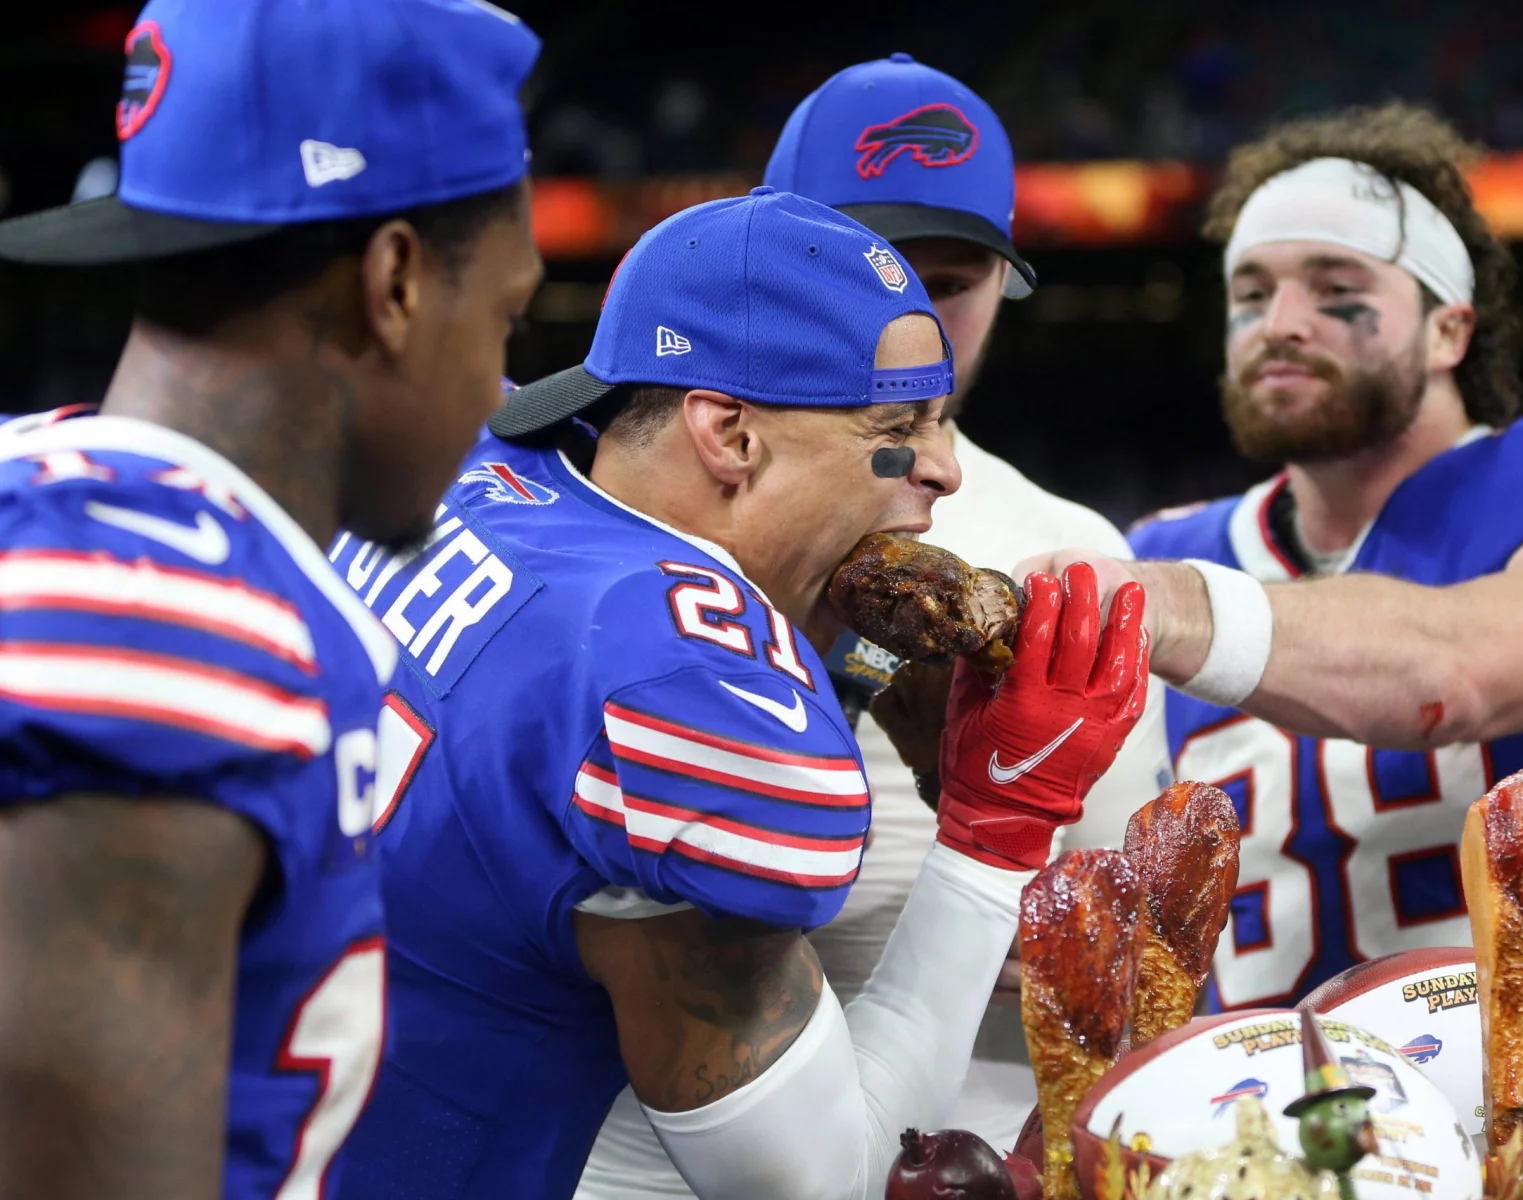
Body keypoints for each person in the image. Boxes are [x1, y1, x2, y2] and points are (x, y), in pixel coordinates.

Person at [329, 187, 1149, 1199]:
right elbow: (832, 1180)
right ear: (729, 434)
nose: (942, 469)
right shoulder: (683, 689)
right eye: (898, 426)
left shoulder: (466, 464)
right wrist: (998, 828)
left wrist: (843, 650)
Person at [1022, 103, 1523, 1070]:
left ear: (1450, 328)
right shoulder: (1173, 541)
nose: (1279, 324)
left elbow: (1463, 671)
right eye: (1251, 290)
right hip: (1255, 1154)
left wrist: (1180, 606)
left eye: (1335, 287)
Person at [582, 55, 1173, 1196]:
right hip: (656, 1126)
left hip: (955, 1115)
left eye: (944, 279)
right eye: (853, 256)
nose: (895, 305)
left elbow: (1114, 952)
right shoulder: (623, 535)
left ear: (1004, 284)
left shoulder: (1059, 544)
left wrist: (980, 814)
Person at [0, 1, 543, 1197]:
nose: (500, 388)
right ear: (396, 280)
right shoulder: (160, 619)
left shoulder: (64, 499)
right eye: (503, 315)